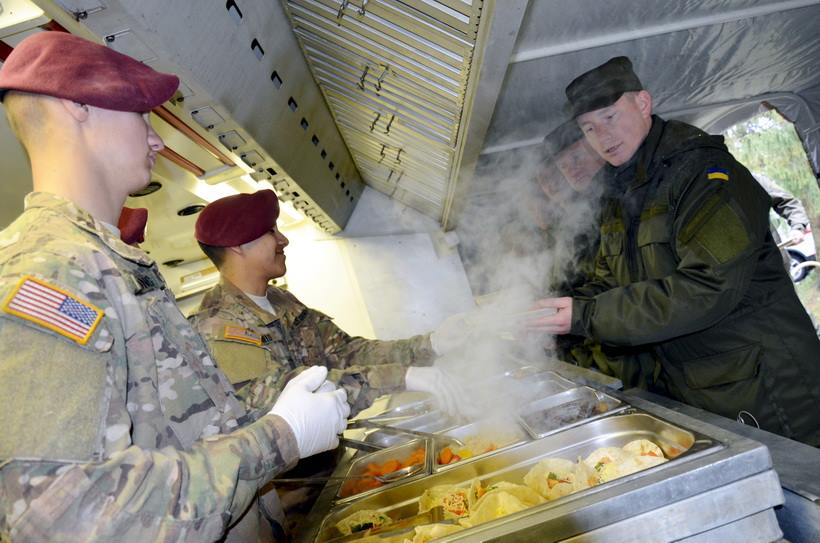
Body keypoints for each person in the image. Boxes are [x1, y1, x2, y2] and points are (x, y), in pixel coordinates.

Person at [0, 31, 349, 542]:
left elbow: (188, 429)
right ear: (77, 107)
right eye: (140, 115)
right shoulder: (49, 271)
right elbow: (69, 517)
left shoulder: (109, 263)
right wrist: (279, 437)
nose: (157, 138)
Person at [529, 56, 820, 446]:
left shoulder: (705, 176)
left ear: (643, 104)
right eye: (590, 128)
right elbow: (606, 280)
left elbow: (706, 287)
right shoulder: (621, 198)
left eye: (610, 117)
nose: (603, 136)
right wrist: (547, 311)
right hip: (702, 386)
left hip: (769, 384)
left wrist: (585, 315)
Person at [188, 190, 465, 419]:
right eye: (271, 231)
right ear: (238, 245)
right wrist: (399, 376)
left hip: (329, 463)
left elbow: (347, 353)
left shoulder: (280, 301)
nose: (283, 239)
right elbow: (282, 399)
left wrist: (430, 344)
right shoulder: (218, 327)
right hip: (295, 485)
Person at [539, 120, 658, 389]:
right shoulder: (584, 216)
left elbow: (622, 286)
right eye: (562, 165)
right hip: (608, 345)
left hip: (637, 348)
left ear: (600, 149)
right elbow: (588, 284)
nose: (571, 169)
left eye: (578, 156)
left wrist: (568, 322)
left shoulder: (629, 200)